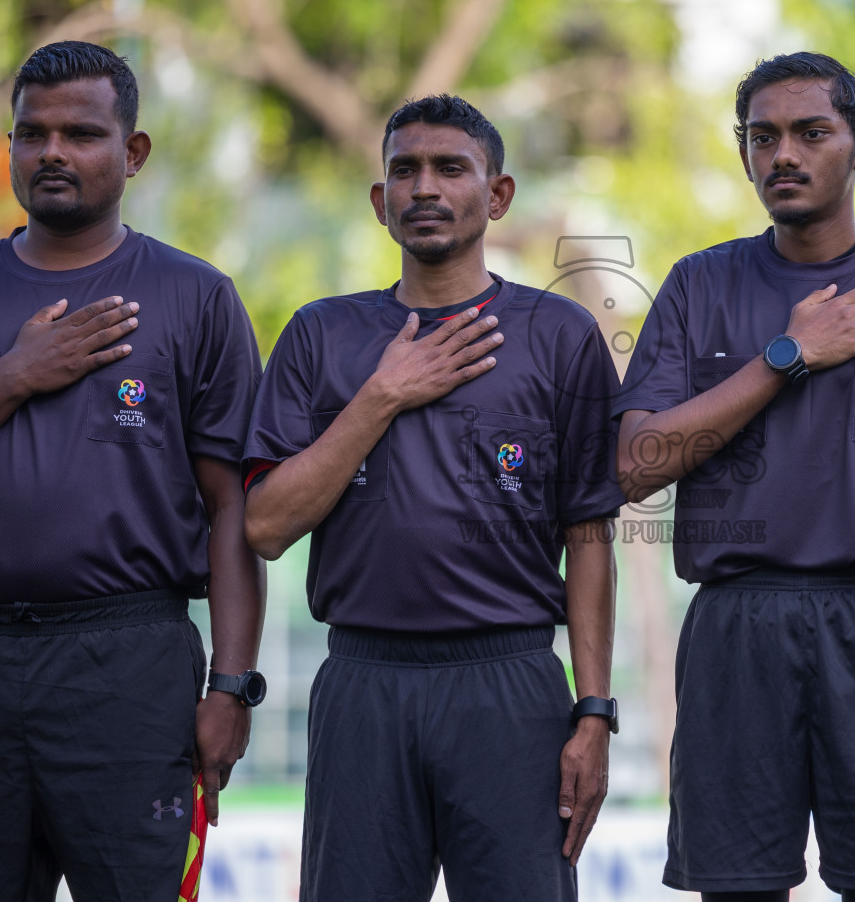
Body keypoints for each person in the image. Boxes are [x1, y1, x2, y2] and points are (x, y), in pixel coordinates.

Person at [0, 41, 265, 902]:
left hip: (132, 661)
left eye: (80, 133)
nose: (52, 154)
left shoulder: (196, 296)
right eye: (30, 134)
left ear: (133, 152)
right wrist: (11, 376)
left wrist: (231, 684)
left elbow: (235, 512)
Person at [614, 51, 855, 901]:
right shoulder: (699, 283)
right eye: (762, 137)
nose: (781, 154)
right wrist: (787, 356)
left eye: (810, 132)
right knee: (739, 888)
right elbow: (635, 467)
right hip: (737, 626)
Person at [242, 93, 623, 901]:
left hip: (511, 682)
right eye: (404, 171)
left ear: (498, 195)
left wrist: (593, 710)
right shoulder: (321, 335)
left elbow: (590, 537)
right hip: (363, 682)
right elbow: (268, 525)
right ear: (380, 203)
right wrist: (380, 397)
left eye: (451, 168)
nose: (425, 188)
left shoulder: (559, 336)